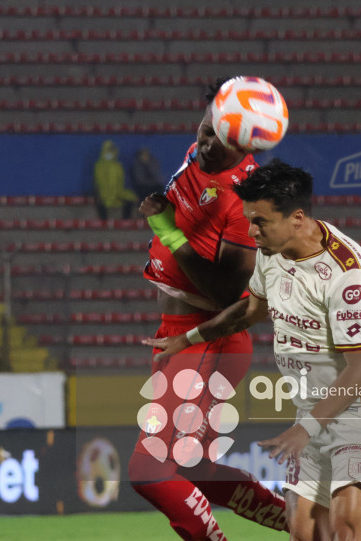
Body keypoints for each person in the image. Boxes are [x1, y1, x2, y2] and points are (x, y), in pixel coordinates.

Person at [145, 160, 361, 541]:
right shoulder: (271, 253)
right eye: (250, 219)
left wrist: (306, 429)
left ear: (297, 218)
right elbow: (251, 310)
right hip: (310, 411)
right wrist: (188, 338)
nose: (251, 232)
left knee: (347, 526)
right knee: (304, 532)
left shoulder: (349, 276)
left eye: (260, 221)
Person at [130, 78, 289, 541]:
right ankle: (303, 526)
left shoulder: (246, 200)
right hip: (177, 329)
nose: (205, 143)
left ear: (244, 147)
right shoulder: (202, 151)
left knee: (149, 469)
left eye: (220, 141)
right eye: (205, 128)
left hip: (209, 336)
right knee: (194, 469)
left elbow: (226, 293)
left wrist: (168, 230)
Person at [94, 139, 137, 220]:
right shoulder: (99, 165)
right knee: (101, 201)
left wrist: (118, 193)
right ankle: (104, 222)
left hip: (118, 192)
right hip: (104, 193)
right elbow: (99, 182)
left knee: (132, 198)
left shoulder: (118, 165)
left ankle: (126, 221)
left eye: (111, 150)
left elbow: (121, 182)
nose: (110, 153)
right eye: (108, 150)